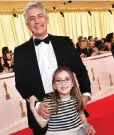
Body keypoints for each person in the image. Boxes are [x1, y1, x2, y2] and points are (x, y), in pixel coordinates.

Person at [14, 2, 91, 135]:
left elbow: (80, 70)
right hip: (43, 110)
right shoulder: (20, 51)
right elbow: (20, 83)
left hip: (70, 107)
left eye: (40, 16)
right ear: (27, 25)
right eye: (32, 19)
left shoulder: (65, 42)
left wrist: (85, 94)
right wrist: (37, 105)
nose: (37, 21)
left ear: (47, 19)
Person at [30, 67, 95, 135]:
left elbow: (81, 113)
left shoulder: (77, 99)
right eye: (58, 80)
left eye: (67, 79)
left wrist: (86, 125)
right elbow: (42, 124)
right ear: (54, 85)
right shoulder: (49, 102)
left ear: (73, 83)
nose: (63, 83)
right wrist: (32, 108)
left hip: (78, 132)